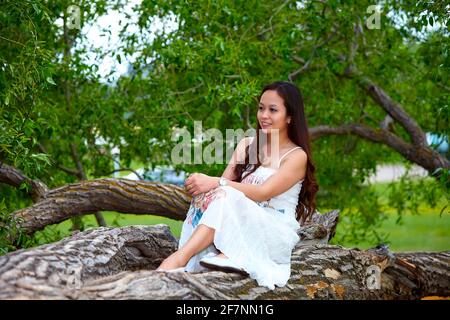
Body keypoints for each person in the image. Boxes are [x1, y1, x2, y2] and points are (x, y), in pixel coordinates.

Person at [156, 81, 319, 290]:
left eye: (273, 110)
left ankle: (183, 258)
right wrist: (203, 183)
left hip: (272, 230)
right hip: (239, 222)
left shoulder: (296, 156)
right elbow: (221, 191)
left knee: (224, 191)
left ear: (290, 117)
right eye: (261, 108)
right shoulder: (248, 145)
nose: (264, 115)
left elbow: (262, 193)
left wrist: (216, 181)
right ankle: (212, 255)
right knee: (216, 195)